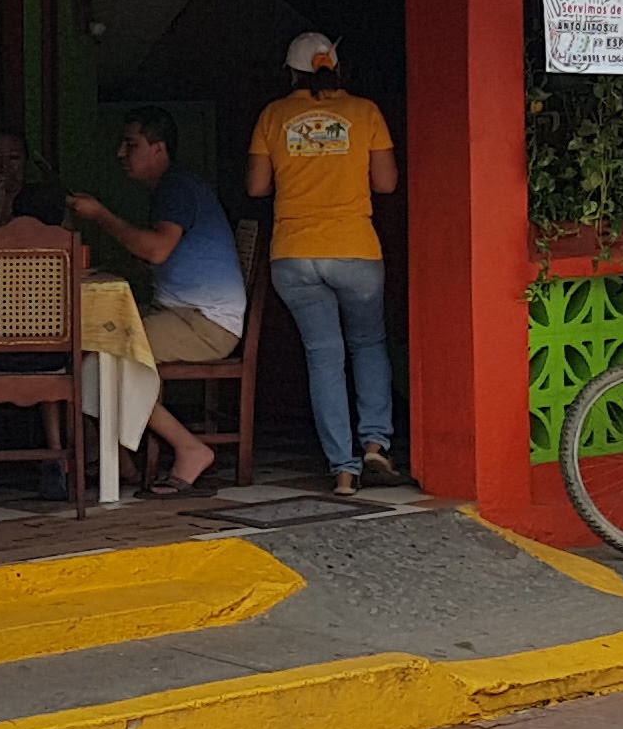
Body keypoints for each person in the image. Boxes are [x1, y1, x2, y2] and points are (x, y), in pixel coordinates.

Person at [68, 106, 249, 496]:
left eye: (131, 145)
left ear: (158, 148)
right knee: (96, 348)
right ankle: (121, 460)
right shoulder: (173, 190)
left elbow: (157, 250)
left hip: (206, 323)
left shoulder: (176, 187)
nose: (121, 153)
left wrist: (100, 215)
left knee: (103, 356)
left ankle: (189, 450)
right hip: (188, 315)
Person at [249, 33, 399, 497]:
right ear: (335, 65)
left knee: (324, 356)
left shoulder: (273, 116)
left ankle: (342, 469)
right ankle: (375, 441)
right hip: (354, 249)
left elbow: (257, 187)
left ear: (290, 72)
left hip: (293, 252)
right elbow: (387, 183)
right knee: (369, 343)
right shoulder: (365, 112)